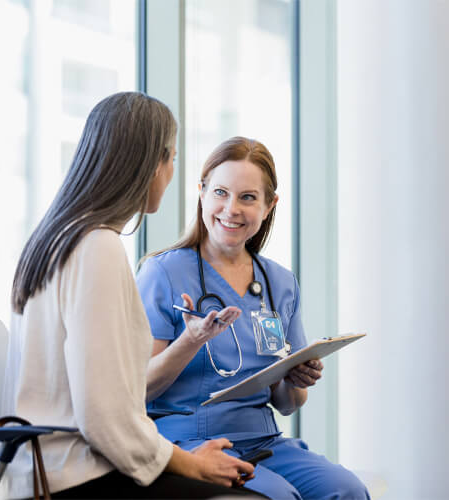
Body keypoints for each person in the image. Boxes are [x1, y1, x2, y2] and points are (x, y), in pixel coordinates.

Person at [0, 94, 261, 499]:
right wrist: (191, 462)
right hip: (76, 477)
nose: (172, 172)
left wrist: (175, 455)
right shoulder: (97, 247)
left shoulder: (56, 238)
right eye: (171, 158)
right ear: (151, 164)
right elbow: (104, 417)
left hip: (43, 471)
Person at [137, 136, 370, 499]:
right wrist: (191, 341)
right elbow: (139, 389)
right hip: (188, 439)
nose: (231, 209)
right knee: (277, 496)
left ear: (269, 205)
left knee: (346, 490)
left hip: (263, 439)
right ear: (201, 193)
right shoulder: (162, 273)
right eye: (220, 193)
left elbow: (288, 404)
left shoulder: (279, 282)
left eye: (247, 197)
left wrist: (295, 378)